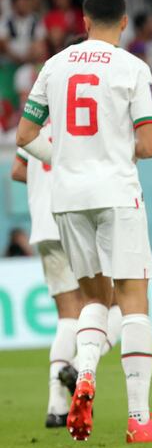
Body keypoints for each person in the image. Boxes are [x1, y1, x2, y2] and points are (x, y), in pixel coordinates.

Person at [15, 0, 152, 443]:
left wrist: (66, 157)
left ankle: (84, 372)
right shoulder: (132, 68)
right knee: (132, 301)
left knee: (92, 299)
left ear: (84, 22)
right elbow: (148, 145)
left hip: (66, 197)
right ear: (123, 23)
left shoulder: (54, 64)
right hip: (115, 193)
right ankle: (140, 420)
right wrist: (111, 151)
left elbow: (25, 134)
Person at [11, 123, 123, 429]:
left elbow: (18, 171)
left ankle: (56, 407)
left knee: (67, 315)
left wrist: (42, 185)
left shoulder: (35, 124)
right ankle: (77, 366)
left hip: (44, 228)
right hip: (76, 219)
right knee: (114, 307)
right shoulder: (81, 119)